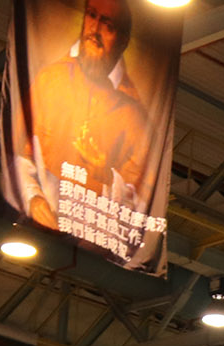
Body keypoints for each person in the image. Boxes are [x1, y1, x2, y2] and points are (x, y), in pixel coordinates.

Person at [9, 0, 161, 237]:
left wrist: (106, 175)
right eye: (92, 16)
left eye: (108, 25)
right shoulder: (50, 81)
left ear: (123, 41)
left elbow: (141, 207)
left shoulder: (137, 120)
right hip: (34, 226)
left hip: (91, 242)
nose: (95, 30)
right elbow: (19, 155)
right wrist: (33, 198)